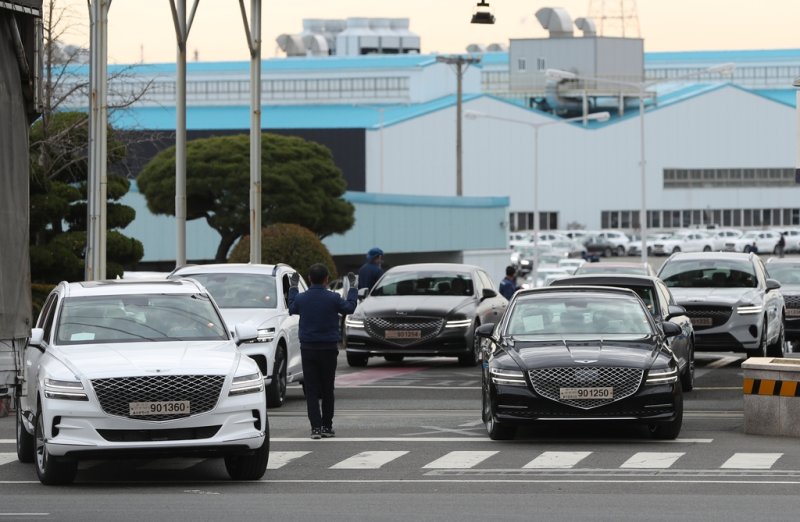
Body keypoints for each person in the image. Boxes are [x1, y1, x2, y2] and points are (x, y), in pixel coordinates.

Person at [288, 264, 357, 439]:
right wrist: (353, 288)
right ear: (327, 279)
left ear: (310, 278)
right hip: (328, 348)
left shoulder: (302, 299)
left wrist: (293, 287)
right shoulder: (333, 298)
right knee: (327, 389)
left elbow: (292, 307)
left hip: (308, 348)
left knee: (311, 390)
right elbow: (350, 308)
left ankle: (315, 428)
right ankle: (327, 425)